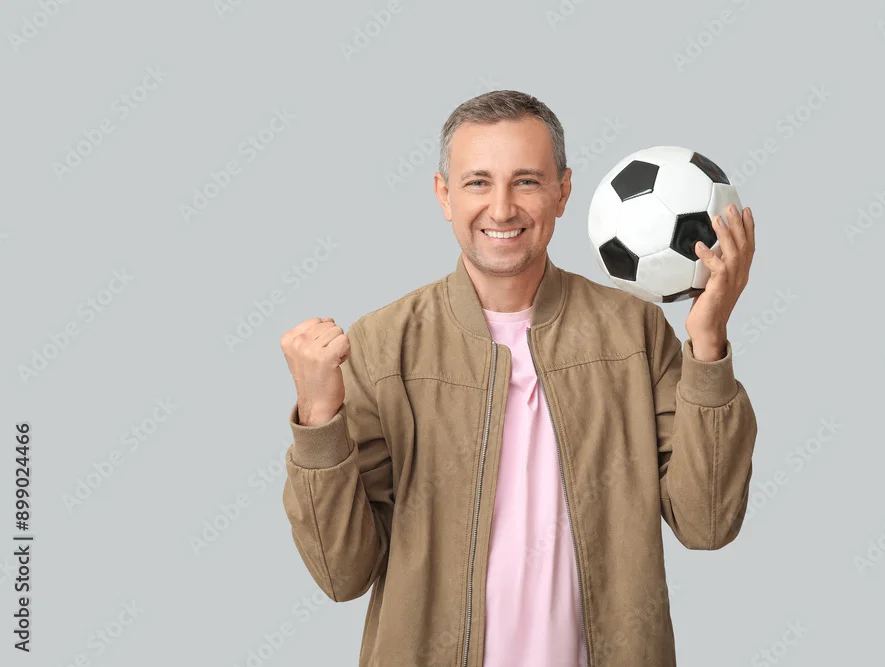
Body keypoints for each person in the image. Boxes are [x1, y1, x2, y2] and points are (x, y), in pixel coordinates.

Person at [280, 90, 758, 667]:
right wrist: (318, 421)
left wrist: (708, 345)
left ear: (563, 191)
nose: (502, 208)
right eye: (478, 182)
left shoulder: (635, 333)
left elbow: (708, 523)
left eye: (526, 181)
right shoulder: (383, 345)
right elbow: (342, 574)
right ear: (444, 195)